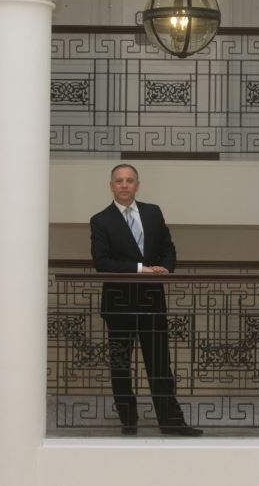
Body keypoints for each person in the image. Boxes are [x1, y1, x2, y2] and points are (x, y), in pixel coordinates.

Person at [90, 163, 201, 437]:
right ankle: (129, 422)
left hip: (152, 302)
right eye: (119, 180)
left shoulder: (153, 212)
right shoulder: (100, 220)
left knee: (160, 365)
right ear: (111, 186)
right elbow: (102, 262)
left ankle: (171, 422)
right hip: (118, 305)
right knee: (120, 366)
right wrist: (142, 269)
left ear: (137, 185)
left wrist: (166, 268)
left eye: (129, 180)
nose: (124, 185)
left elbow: (168, 248)